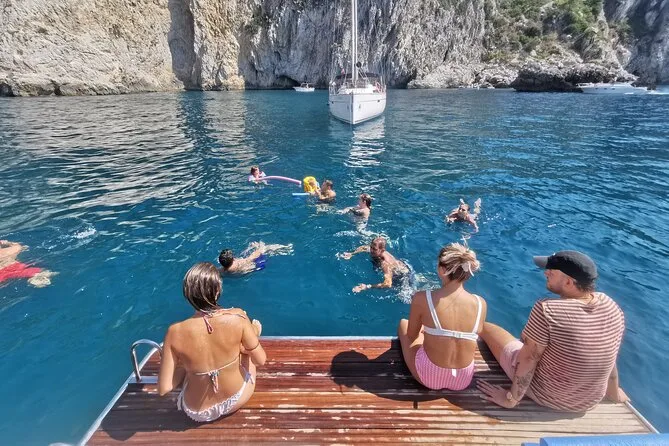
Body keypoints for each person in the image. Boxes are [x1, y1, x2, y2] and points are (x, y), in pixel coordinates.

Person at [476, 250, 628, 411]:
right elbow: (610, 353)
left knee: (486, 327)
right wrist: (613, 393)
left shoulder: (548, 309)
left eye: (552, 272)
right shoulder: (610, 305)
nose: (546, 273)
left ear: (568, 282)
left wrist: (511, 399)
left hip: (548, 395)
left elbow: (529, 358)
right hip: (589, 400)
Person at [158, 262, 266, 422]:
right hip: (235, 400)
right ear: (217, 291)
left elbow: (164, 388)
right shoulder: (238, 317)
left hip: (196, 412)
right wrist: (252, 334)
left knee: (190, 366)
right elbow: (260, 360)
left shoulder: (174, 332)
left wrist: (185, 366)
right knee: (247, 353)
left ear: (187, 294)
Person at [397, 243, 486, 390]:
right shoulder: (480, 303)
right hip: (463, 380)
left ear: (442, 270)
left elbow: (412, 337)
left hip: (429, 377)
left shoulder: (422, 298)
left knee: (403, 324)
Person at [341, 237, 411, 293]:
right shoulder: (375, 250)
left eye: (374, 249)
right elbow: (364, 248)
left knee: (404, 294)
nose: (371, 250)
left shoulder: (384, 263)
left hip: (402, 276)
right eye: (371, 247)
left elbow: (388, 284)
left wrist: (367, 286)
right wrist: (352, 254)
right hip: (400, 266)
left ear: (382, 250)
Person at [218, 241, 292, 274]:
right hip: (257, 267)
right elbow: (252, 257)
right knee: (266, 248)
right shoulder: (239, 263)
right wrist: (259, 247)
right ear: (233, 259)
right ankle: (286, 248)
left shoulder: (221, 271)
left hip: (242, 274)